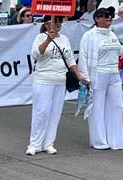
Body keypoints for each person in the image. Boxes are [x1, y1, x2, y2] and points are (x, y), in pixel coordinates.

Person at [78, 8, 123, 150]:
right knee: (97, 107)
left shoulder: (112, 34)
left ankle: (116, 140)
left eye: (111, 16)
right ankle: (99, 141)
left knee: (117, 106)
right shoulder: (89, 36)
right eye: (106, 16)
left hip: (114, 74)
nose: (109, 18)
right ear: (97, 19)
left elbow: (119, 52)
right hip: (98, 74)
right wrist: (85, 77)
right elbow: (82, 57)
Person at [26, 15, 83, 156]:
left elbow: (70, 59)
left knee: (55, 113)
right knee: (41, 112)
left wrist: (78, 74)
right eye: (54, 21)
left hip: (60, 80)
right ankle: (34, 144)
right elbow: (35, 55)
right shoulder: (40, 37)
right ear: (46, 24)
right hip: (44, 79)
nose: (58, 24)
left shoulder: (64, 39)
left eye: (59, 21)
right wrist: (48, 40)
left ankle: (49, 143)